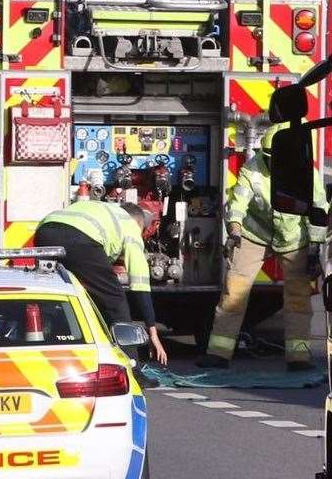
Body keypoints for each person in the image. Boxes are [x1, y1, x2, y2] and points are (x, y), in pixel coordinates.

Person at [199, 124, 327, 370]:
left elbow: (319, 213)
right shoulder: (253, 168)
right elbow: (238, 203)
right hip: (254, 233)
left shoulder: (306, 172)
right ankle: (219, 353)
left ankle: (298, 357)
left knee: (298, 297)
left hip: (293, 237)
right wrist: (234, 230)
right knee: (234, 292)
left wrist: (314, 249)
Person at [35, 200, 168, 367]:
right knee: (114, 300)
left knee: (57, 299)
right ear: (139, 223)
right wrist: (152, 332)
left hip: (44, 231)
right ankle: (132, 369)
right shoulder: (131, 225)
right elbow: (140, 283)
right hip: (79, 238)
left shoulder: (105, 211)